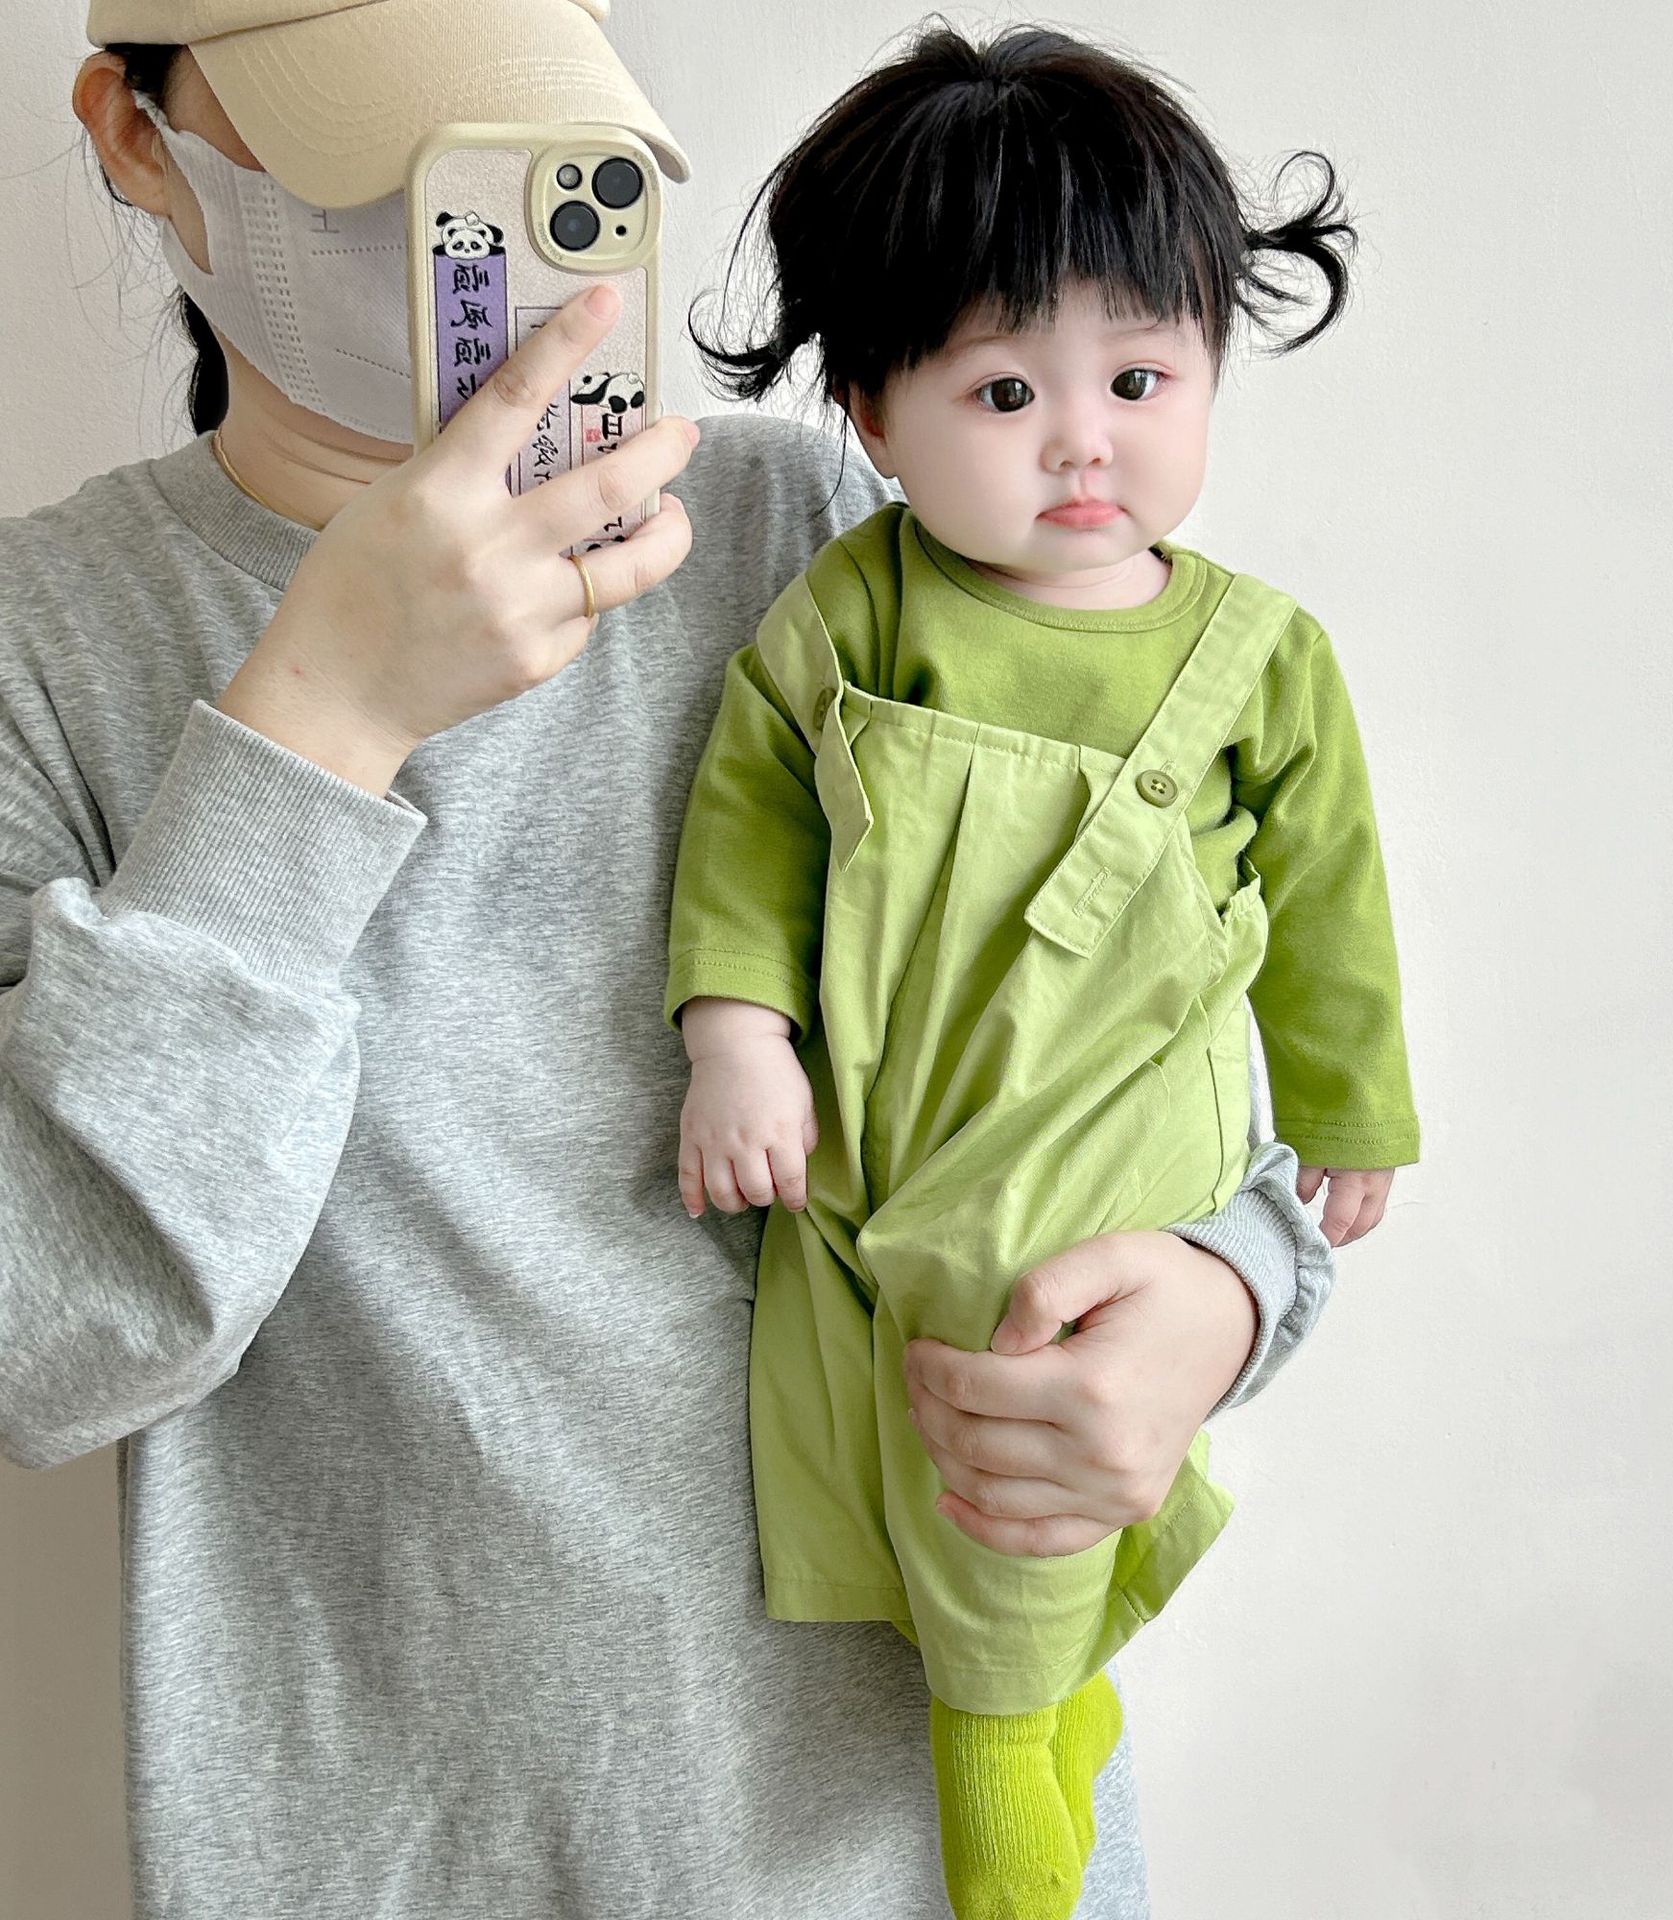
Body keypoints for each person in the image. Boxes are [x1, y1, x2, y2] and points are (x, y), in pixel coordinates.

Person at [0, 5, 1348, 1916]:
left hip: (920, 1849)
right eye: (371, 142)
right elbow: (46, 1344)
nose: (449, 210)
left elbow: (1152, 1028)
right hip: (388, 1858)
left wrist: (1229, 1289)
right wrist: (321, 722)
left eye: (505, 133)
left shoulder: (823, 532)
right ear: (135, 137)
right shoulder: (42, 648)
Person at [663, 24, 1421, 1917]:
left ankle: (1002, 1775)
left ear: (1210, 366)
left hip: (1128, 1124)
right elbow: (751, 822)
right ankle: (1050, 1698)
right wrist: (738, 1035)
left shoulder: (1261, 657)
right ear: (872, 416)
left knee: (1012, 1366)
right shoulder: (859, 610)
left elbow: (1334, 907)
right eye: (1005, 391)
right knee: (928, 1393)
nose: (1086, 440)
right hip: (916, 1112)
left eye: (1140, 378)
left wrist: (1353, 1115)